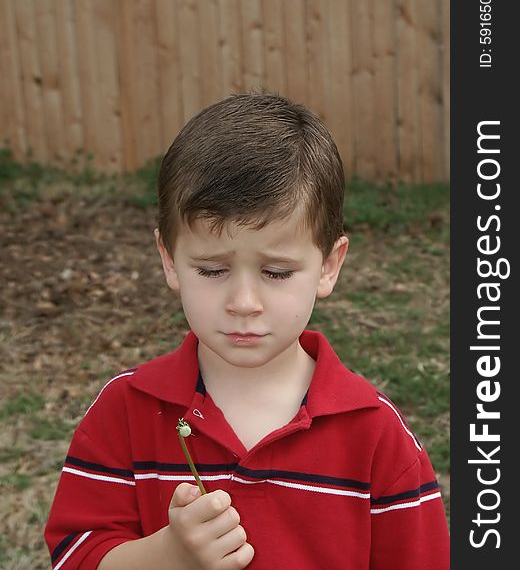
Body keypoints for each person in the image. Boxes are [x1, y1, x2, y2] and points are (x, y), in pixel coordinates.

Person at [44, 93, 450, 569]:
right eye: (212, 270)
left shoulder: (376, 437)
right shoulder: (126, 411)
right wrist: (167, 556)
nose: (243, 304)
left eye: (276, 273)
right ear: (169, 260)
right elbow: (74, 557)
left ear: (328, 266)